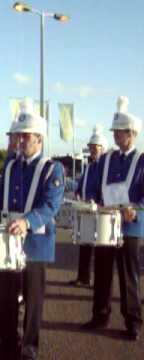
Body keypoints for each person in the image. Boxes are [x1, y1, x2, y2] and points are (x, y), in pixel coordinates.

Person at [0, 99, 65, 359]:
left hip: (36, 245)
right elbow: (0, 203)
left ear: (39, 138)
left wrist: (27, 222)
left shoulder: (52, 168)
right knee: (4, 301)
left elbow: (51, 206)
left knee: (33, 305)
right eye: (18, 136)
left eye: (25, 137)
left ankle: (29, 351)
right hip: (7, 244)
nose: (20, 141)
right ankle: (7, 346)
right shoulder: (10, 166)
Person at [82, 96, 143, 341]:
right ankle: (100, 315)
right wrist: (91, 201)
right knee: (103, 273)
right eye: (115, 132)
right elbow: (94, 186)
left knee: (129, 276)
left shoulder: (142, 161)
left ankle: (133, 321)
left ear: (133, 134)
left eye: (121, 133)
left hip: (130, 227)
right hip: (106, 224)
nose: (117, 136)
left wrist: (136, 209)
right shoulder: (106, 159)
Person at [68, 126, 107, 287]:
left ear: (102, 148)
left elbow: (106, 189)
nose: (92, 150)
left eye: (94, 147)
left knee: (99, 249)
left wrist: (99, 203)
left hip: (99, 212)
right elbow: (81, 185)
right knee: (84, 245)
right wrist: (77, 194)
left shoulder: (105, 167)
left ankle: (98, 281)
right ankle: (83, 277)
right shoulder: (90, 167)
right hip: (85, 210)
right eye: (90, 147)